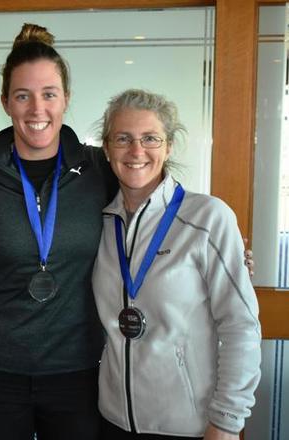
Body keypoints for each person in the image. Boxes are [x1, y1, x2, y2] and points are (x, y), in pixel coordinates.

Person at [0, 23, 118, 439]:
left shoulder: (100, 170)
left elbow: (150, 221)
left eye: (49, 94)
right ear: (6, 102)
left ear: (66, 99)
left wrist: (214, 248)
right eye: (23, 95)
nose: (36, 109)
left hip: (78, 370)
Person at [92, 89, 261, 439]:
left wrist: (227, 423)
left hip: (189, 426)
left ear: (168, 146)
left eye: (150, 138)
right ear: (106, 149)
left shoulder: (208, 218)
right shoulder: (101, 224)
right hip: (111, 421)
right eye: (123, 139)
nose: (136, 151)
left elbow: (240, 326)